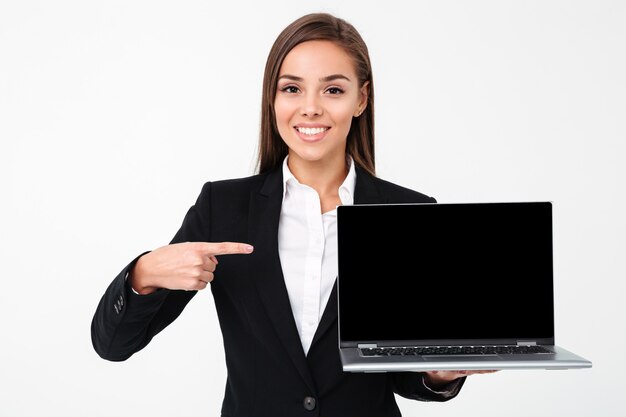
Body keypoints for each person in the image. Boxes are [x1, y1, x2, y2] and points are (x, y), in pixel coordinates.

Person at [91, 12, 493, 417]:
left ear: (361, 99)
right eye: (292, 89)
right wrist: (143, 274)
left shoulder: (411, 215)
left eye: (333, 90)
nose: (311, 108)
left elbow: (401, 377)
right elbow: (112, 345)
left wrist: (439, 374)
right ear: (273, 98)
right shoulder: (224, 207)